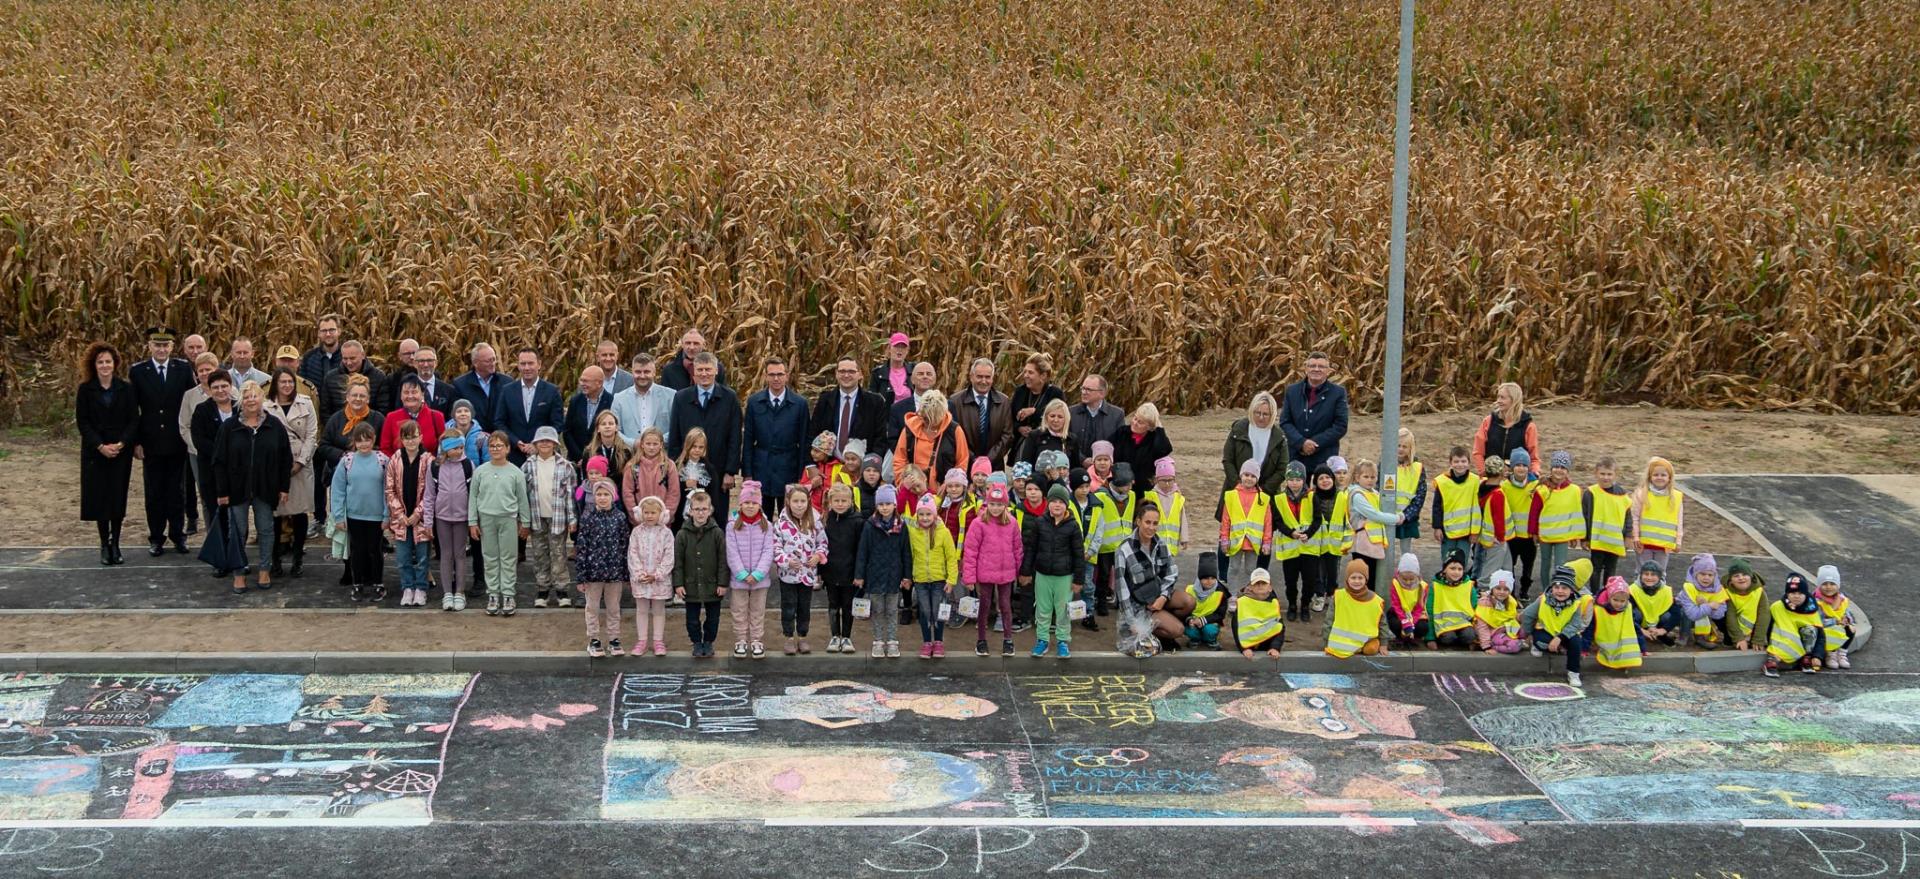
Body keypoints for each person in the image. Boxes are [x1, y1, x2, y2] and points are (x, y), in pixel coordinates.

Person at [210, 380, 293, 594]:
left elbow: (285, 458)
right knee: (237, 530)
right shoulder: (230, 427)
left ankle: (264, 569)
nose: (251, 400)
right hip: (236, 489)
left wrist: (284, 487)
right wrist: (222, 491)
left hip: (266, 488)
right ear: (241, 401)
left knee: (266, 529)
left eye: (255, 396)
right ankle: (238, 572)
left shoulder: (274, 425)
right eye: (247, 397)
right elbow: (219, 460)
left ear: (262, 399)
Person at [131, 327, 196, 556]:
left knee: (177, 492)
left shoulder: (183, 369)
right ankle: (156, 537)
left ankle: (178, 536)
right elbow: (133, 410)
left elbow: (191, 405)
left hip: (176, 441)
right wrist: (136, 442)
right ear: (149, 346)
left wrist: (189, 437)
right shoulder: (138, 371)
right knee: (154, 492)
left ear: (171, 347)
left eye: (165, 345)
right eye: (157, 345)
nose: (161, 349)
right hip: (151, 443)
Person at [77, 342, 137, 566]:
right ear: (94, 365)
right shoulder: (86, 390)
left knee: (117, 497)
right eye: (100, 362)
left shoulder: (126, 388)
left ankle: (116, 544)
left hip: (120, 451)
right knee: (99, 498)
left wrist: (121, 444)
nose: (104, 365)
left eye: (108, 361)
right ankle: (104, 544)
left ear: (115, 364)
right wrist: (101, 446)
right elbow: (83, 422)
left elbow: (133, 419)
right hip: (95, 453)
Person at [668, 352, 743, 521]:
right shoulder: (681, 398)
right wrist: (675, 467)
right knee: (688, 516)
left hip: (719, 468)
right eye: (700, 370)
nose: (704, 374)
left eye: (708, 369)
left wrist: (730, 471)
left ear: (716, 370)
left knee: (717, 515)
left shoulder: (729, 398)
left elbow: (735, 436)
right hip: (688, 471)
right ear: (693, 372)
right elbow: (675, 435)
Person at [469, 431, 531, 615]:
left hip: (508, 519)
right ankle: (493, 594)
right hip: (486, 518)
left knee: (508, 558)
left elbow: (522, 499)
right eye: (492, 446)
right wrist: (472, 521)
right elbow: (473, 497)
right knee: (490, 557)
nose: (496, 449)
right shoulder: (480, 471)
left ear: (508, 448)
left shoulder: (516, 473)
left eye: (499, 446)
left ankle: (508, 594)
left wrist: (525, 522)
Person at [328, 422, 389, 603]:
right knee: (357, 551)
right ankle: (358, 583)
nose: (364, 444)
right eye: (360, 441)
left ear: (373, 440)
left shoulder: (383, 460)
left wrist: (387, 515)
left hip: (376, 515)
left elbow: (389, 489)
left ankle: (377, 583)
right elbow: (337, 489)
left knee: (375, 550)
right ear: (354, 441)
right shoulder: (347, 461)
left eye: (367, 440)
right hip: (354, 515)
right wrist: (338, 515)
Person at [266, 368, 318, 577]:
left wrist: (300, 462)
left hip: (301, 464)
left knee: (299, 512)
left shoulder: (305, 403)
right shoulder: (266, 406)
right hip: (275, 467)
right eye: (283, 382)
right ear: (275, 384)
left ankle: (298, 558)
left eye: (290, 382)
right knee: (276, 513)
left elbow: (312, 434)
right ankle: (275, 559)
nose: (287, 385)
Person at [1024, 483, 1086, 660]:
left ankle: (1062, 641)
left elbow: (1078, 554)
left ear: (1066, 504)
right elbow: (1031, 549)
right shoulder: (1039, 523)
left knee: (1063, 610)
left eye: (1061, 501)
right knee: (1042, 610)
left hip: (1064, 576)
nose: (1057, 505)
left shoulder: (1073, 526)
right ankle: (1042, 640)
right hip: (1043, 574)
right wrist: (1026, 572)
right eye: (1053, 501)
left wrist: (1078, 580)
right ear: (1048, 503)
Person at [961, 482, 1023, 657]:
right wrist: (969, 578)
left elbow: (1017, 548)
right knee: (985, 605)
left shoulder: (1012, 523)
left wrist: (1019, 572)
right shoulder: (978, 523)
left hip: (1006, 573)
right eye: (992, 504)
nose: (996, 508)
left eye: (1000, 504)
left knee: (1005, 605)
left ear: (1005, 505)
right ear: (987, 504)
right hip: (985, 573)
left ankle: (1008, 639)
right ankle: (981, 639)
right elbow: (970, 551)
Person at [572, 479, 632, 658]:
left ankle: (614, 639)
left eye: (606, 494)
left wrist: (625, 573)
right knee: (592, 608)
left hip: (614, 573)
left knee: (614, 608)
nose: (603, 498)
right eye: (599, 494)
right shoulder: (588, 517)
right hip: (593, 574)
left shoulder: (620, 518)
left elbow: (624, 546)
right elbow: (582, 548)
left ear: (613, 496)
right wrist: (581, 576)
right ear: (594, 497)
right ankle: (594, 639)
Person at [1115, 505, 1185, 658]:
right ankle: (1163, 635)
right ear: (1138, 521)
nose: (1151, 527)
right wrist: (1132, 621)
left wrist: (1164, 597)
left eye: (1155, 523)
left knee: (1188, 602)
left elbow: (1172, 573)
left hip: (1158, 596)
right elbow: (1122, 590)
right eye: (1147, 522)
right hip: (1139, 606)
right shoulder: (1124, 550)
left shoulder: (1161, 543)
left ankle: (1164, 623)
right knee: (1178, 630)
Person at [742, 357, 811, 507]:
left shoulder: (799, 404)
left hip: (789, 468)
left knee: (788, 515)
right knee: (761, 517)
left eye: (780, 374)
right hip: (761, 467)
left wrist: (802, 474)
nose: (776, 378)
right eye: (772, 374)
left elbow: (804, 440)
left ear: (787, 376)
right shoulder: (754, 402)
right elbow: (748, 439)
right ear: (765, 376)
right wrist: (747, 473)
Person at [189, 370, 239, 575]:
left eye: (224, 386)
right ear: (210, 390)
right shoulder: (202, 411)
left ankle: (237, 556)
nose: (220, 390)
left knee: (237, 516)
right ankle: (220, 559)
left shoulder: (240, 408)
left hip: (237, 472)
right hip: (211, 473)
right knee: (217, 515)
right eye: (216, 387)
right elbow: (199, 440)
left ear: (230, 386)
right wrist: (223, 453)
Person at [523, 426, 578, 608]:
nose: (545, 444)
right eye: (541, 441)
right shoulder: (528, 465)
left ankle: (562, 590)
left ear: (555, 444)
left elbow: (570, 496)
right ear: (535, 444)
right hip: (537, 518)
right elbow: (523, 493)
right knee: (539, 555)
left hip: (558, 519)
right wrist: (523, 520)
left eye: (549, 441)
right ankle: (542, 590)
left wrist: (572, 519)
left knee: (558, 554)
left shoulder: (565, 466)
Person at [855, 484, 912, 658]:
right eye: (881, 504)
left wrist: (907, 576)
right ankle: (878, 641)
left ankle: (893, 641)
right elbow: (862, 551)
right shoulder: (869, 526)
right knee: (877, 610)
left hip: (894, 577)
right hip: (874, 576)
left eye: (888, 503)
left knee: (892, 610)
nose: (884, 507)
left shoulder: (901, 527)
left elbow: (906, 553)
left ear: (894, 504)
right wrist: (859, 576)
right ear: (876, 506)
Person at [771, 484, 828, 655]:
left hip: (808, 574)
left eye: (803, 501)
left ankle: (802, 636)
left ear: (808, 501)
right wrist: (786, 561)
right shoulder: (780, 524)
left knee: (804, 606)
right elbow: (775, 547)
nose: (799, 505)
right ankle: (789, 637)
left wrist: (818, 556)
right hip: (788, 575)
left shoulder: (814, 521)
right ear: (788, 502)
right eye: (795, 501)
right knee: (788, 606)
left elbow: (823, 543)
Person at [384, 420, 436, 607]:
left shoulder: (428, 460)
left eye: (414, 437)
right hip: (401, 519)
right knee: (403, 557)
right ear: (402, 439)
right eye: (407, 437)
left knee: (423, 557)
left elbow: (431, 491)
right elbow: (389, 490)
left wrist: (418, 513)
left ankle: (421, 588)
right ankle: (407, 587)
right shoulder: (395, 459)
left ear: (421, 437)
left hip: (421, 519)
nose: (411, 441)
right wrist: (400, 515)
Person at [1084, 462, 1139, 628]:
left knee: (1124, 576)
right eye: (1127, 484)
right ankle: (1101, 602)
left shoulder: (1132, 496)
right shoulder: (1100, 496)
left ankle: (1122, 603)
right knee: (1103, 576)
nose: (1130, 487)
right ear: (1118, 484)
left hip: (1123, 544)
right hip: (1105, 545)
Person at [674, 490, 728, 658]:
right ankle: (697, 642)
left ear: (710, 510)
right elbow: (678, 562)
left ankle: (709, 641)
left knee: (713, 618)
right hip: (690, 584)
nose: (700, 513)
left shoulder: (717, 533)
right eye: (697, 509)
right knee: (692, 619)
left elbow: (722, 560)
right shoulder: (682, 534)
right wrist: (678, 583)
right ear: (690, 510)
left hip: (712, 584)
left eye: (704, 509)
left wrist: (722, 583)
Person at [724, 480, 775, 659]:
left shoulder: (767, 526)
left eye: (754, 503)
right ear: (740, 504)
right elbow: (732, 552)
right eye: (747, 502)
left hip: (760, 579)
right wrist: (742, 574)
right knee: (739, 610)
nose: (750, 506)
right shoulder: (732, 526)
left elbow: (769, 550)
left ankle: (756, 641)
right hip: (740, 579)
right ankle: (740, 640)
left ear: (759, 505)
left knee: (757, 611)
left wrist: (759, 573)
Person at [1520, 563, 1594, 687]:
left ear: (1571, 590)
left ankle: (1573, 672)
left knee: (1576, 644)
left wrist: (1559, 638)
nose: (1560, 591)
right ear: (1552, 588)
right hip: (1545, 630)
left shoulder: (1576, 603)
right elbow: (1527, 615)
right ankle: (1537, 645)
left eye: (1565, 588)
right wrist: (1526, 633)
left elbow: (1575, 625)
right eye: (1557, 587)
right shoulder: (1543, 599)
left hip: (1564, 634)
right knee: (1542, 642)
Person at [907, 491, 960, 658]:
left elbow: (951, 557)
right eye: (921, 514)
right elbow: (909, 556)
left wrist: (951, 580)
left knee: (938, 611)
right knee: (924, 611)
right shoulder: (912, 532)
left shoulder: (943, 532)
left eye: (928, 514)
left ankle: (938, 642)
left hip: (939, 579)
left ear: (934, 514)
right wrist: (908, 577)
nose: (924, 518)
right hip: (921, 579)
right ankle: (926, 642)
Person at [1278, 351, 1349, 474]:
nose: (1316, 369)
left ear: (1328, 371)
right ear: (1306, 369)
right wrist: (1301, 443)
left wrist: (1314, 444)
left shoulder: (1338, 393)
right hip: (1296, 454)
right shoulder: (1292, 391)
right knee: (1296, 491)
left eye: (1321, 367)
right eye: (1312, 366)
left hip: (1324, 455)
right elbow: (1285, 422)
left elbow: (1340, 426)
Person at [1219, 391, 1287, 515]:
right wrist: (1239, 485)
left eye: (1266, 414)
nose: (1261, 417)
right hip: (1237, 492)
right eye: (1257, 413)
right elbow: (1228, 460)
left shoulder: (1279, 437)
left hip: (1266, 495)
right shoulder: (1238, 429)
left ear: (1272, 415)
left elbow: (1282, 469)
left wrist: (1263, 490)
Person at [426, 433, 473, 610]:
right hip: (442, 518)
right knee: (445, 555)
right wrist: (429, 521)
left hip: (462, 518)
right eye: (456, 448)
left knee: (460, 555)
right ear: (446, 448)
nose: (459, 451)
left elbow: (473, 495)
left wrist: (472, 519)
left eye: (461, 447)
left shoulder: (468, 465)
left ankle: (460, 592)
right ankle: (447, 593)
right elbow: (429, 495)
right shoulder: (435, 467)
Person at [494, 348, 565, 465]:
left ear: (539, 364)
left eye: (530, 363)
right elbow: (499, 422)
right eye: (523, 364)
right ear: (518, 366)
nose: (527, 368)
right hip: (513, 456)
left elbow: (557, 424)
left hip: (543, 456)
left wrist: (537, 443)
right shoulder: (507, 391)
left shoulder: (551, 391)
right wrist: (516, 442)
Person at [624, 494, 675, 657]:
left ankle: (658, 641)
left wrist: (658, 574)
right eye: (646, 512)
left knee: (659, 610)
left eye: (653, 513)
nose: (650, 516)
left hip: (659, 580)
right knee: (642, 610)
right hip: (641, 580)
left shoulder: (666, 533)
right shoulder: (636, 532)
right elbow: (632, 553)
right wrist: (639, 574)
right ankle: (642, 640)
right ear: (641, 514)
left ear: (661, 514)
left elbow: (669, 556)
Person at [177, 352, 222, 534]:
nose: (204, 373)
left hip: (226, 453)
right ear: (196, 373)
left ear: (216, 370)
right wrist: (197, 446)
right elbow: (184, 425)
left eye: (208, 370)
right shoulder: (189, 396)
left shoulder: (230, 391)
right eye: (201, 370)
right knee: (206, 493)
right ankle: (212, 532)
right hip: (198, 454)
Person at [809, 357, 889, 456]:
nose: (846, 375)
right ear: (836, 373)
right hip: (828, 466)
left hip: (861, 466)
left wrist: (870, 466)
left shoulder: (874, 403)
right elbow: (812, 433)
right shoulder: (825, 400)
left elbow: (880, 439)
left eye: (851, 371)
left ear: (860, 374)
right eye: (842, 371)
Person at [821, 483, 866, 654]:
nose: (840, 504)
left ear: (851, 501)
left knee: (847, 606)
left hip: (850, 573)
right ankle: (835, 636)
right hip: (831, 571)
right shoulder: (826, 519)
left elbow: (861, 550)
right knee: (833, 605)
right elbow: (821, 546)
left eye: (844, 501)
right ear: (830, 502)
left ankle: (846, 637)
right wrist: (820, 572)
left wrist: (860, 573)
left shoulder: (858, 521)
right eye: (837, 500)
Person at [892, 389, 971, 485]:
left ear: (941, 415)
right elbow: (899, 460)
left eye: (932, 419)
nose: (928, 423)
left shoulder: (955, 430)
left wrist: (951, 484)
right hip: (914, 490)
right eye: (925, 417)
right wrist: (902, 483)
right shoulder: (910, 429)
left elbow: (962, 462)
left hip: (944, 492)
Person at [1756, 573, 1828, 677]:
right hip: (1780, 641)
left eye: (1800, 593)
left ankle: (1806, 658)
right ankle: (1772, 661)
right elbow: (1768, 625)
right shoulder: (1777, 607)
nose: (1797, 596)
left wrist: (1817, 656)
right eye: (1793, 593)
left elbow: (1821, 636)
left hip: (1803, 644)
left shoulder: (1811, 611)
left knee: (1811, 630)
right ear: (1787, 594)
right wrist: (1762, 641)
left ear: (1806, 594)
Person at [1530, 450, 1586, 583]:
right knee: (1545, 564)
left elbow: (1576, 514)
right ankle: (1545, 591)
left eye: (1563, 468)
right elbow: (1534, 513)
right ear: (1551, 469)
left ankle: (1558, 590)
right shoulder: (1542, 490)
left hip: (1563, 536)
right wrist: (1533, 532)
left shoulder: (1574, 490)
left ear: (1568, 471)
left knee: (1560, 566)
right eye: (1556, 467)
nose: (1559, 470)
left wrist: (1575, 536)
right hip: (1545, 535)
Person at [1218, 459, 1273, 589]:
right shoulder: (1231, 496)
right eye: (1246, 475)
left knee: (1251, 570)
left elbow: (1267, 523)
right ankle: (1232, 595)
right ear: (1241, 475)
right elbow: (1226, 520)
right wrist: (1224, 539)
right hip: (1235, 540)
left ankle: (1249, 593)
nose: (1249, 478)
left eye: (1253, 476)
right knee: (1234, 568)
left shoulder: (1263, 498)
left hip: (1253, 541)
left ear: (1257, 478)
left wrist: (1266, 542)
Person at [1344, 459, 1400, 585]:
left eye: (1373, 477)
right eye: (1366, 477)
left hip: (1373, 543)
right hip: (1362, 543)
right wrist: (1396, 518)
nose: (1370, 480)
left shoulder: (1374, 493)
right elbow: (1374, 515)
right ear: (1357, 478)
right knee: (1362, 577)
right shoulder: (1357, 495)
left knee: (1372, 577)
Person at [952, 358, 1016, 468]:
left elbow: (1007, 435)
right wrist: (972, 459)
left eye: (987, 377)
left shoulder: (1003, 401)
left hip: (994, 467)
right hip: (964, 466)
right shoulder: (955, 402)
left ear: (992, 378)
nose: (983, 381)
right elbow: (953, 435)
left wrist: (988, 460)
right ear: (971, 377)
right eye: (979, 376)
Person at [1273, 461, 1317, 619]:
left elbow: (1318, 519)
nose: (1294, 483)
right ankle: (1292, 605)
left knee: (1309, 581)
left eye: (1298, 480)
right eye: (1291, 479)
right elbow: (1278, 521)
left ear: (1304, 480)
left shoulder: (1312, 497)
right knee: (1290, 581)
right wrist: (1291, 533)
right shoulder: (1279, 499)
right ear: (1286, 480)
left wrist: (1309, 533)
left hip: (1309, 547)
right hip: (1290, 548)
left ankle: (1305, 605)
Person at [1429, 446, 1482, 573]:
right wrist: (1437, 527)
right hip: (1448, 532)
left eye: (1463, 461)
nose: (1460, 465)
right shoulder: (1442, 482)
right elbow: (1437, 506)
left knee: (1461, 563)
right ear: (1450, 463)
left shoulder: (1475, 481)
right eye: (1456, 461)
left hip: (1466, 533)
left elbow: (1477, 508)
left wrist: (1475, 532)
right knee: (1447, 561)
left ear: (1469, 463)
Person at [1585, 456, 1634, 592]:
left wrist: (1628, 536)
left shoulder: (1622, 494)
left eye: (1609, 474)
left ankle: (1607, 594)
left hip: (1614, 541)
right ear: (1596, 473)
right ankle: (1594, 594)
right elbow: (1585, 516)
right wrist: (1585, 538)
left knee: (1611, 570)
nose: (1606, 477)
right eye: (1602, 474)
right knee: (1595, 568)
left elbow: (1628, 517)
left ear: (1615, 475)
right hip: (1597, 541)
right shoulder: (1591, 493)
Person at [1630, 456, 1685, 578]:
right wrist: (1635, 537)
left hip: (1664, 545)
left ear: (1669, 477)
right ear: (1650, 477)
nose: (1659, 478)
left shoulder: (1676, 497)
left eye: (1663, 475)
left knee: (1660, 574)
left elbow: (1679, 521)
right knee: (1641, 573)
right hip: (1644, 545)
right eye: (1656, 475)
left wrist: (1678, 541)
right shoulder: (1641, 494)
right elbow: (1635, 517)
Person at [1471, 382, 1541, 475]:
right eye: (1498, 397)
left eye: (1503, 398)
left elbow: (1534, 458)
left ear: (1514, 400)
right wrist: (1484, 472)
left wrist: (1534, 474)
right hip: (1491, 476)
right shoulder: (1489, 421)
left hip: (1517, 477)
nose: (1498, 401)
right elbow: (1478, 452)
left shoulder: (1528, 426)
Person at [1325, 558, 1389, 659]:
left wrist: (1384, 644)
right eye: (1353, 578)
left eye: (1360, 578)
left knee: (1371, 649)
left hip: (1367, 640)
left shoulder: (1376, 600)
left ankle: (1366, 645)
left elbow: (1382, 623)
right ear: (1347, 579)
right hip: (1343, 643)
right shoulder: (1339, 596)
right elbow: (1329, 620)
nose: (1357, 581)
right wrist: (1327, 642)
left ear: (1366, 580)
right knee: (1338, 651)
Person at [1107, 403, 1173, 499]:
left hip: (1142, 487)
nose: (1135, 423)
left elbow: (1164, 450)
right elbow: (1106, 447)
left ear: (1149, 426)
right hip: (1120, 484)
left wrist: (1159, 427)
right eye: (1135, 418)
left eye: (1140, 422)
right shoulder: (1122, 432)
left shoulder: (1154, 438)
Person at [1499, 449, 1540, 599]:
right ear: (1511, 468)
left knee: (1528, 567)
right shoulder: (1504, 486)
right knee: (1509, 567)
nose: (1521, 468)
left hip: (1529, 536)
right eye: (1518, 465)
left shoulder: (1536, 486)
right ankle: (1511, 593)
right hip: (1511, 536)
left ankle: (1524, 591)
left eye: (1524, 465)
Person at [612, 352, 677, 445]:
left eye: (646, 372)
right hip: (630, 455)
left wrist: (654, 443)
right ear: (632, 372)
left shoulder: (671, 396)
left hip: (662, 455)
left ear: (654, 373)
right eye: (638, 372)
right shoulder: (619, 398)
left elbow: (676, 428)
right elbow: (615, 430)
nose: (642, 376)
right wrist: (634, 443)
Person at [623, 426, 682, 528]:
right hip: (640, 523)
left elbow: (674, 493)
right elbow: (627, 493)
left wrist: (666, 515)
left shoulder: (668, 466)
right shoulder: (632, 466)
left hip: (663, 524)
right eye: (648, 444)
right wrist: (636, 515)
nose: (651, 447)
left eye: (655, 444)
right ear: (642, 444)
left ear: (661, 445)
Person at [319, 340, 390, 424]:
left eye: (352, 358)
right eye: (345, 359)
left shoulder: (378, 377)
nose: (349, 363)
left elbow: (383, 408)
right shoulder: (331, 378)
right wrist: (336, 428)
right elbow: (325, 410)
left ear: (363, 355)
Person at [1306, 463, 1343, 617]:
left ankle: (1332, 594)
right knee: (1318, 570)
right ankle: (1320, 595)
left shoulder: (1341, 496)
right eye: (1321, 478)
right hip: (1318, 540)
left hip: (1335, 541)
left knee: (1333, 570)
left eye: (1328, 477)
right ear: (1316, 482)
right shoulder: (1311, 497)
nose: (1325, 480)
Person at [1008, 353, 1065, 451]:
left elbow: (1060, 419)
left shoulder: (1055, 393)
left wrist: (1034, 411)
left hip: (1047, 445)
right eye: (1025, 372)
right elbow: (1010, 418)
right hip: (1021, 446)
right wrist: (1019, 428)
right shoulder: (1020, 392)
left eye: (1030, 372)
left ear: (1043, 375)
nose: (1025, 375)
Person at [1588, 577, 1647, 672]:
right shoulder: (1598, 609)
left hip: (1621, 643)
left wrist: (1642, 648)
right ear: (1609, 597)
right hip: (1603, 644)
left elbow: (1635, 628)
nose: (1619, 604)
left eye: (1622, 601)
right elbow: (1590, 630)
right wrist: (1584, 648)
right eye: (1615, 600)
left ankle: (1624, 666)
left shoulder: (1628, 609)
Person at [884, 361, 939, 461]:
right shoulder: (897, 409)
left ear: (934, 379)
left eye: (929, 374)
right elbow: (893, 440)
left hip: (938, 463)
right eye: (920, 374)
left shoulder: (947, 406)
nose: (925, 377)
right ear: (912, 380)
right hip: (908, 465)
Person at [1068, 374, 1125, 467]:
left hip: (1106, 470)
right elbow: (1066, 441)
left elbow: (1120, 445)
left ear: (1102, 393)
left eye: (1089, 390)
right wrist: (1082, 459)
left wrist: (1103, 461)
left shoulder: (1117, 415)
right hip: (1076, 469)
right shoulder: (1071, 413)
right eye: (1083, 388)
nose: (1084, 392)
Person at [1676, 552, 1731, 650]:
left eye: (1710, 575)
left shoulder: (1718, 589)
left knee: (1703, 611)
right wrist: (1709, 606)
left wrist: (1706, 604)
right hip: (1683, 618)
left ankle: (1700, 637)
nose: (1706, 578)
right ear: (1695, 574)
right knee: (1686, 611)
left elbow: (1719, 615)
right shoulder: (1689, 587)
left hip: (1703, 615)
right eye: (1702, 574)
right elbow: (1691, 613)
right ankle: (1684, 634)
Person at [379, 377, 446, 455]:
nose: (410, 396)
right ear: (400, 396)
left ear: (422, 394)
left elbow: (443, 447)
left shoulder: (437, 417)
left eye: (414, 392)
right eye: (406, 392)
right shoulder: (391, 417)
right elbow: (385, 449)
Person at [1427, 548, 1478, 649]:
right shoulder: (1435, 586)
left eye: (1460, 569)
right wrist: (1430, 637)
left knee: (1469, 636)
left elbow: (1476, 608)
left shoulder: (1468, 585)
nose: (1456, 572)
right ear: (1444, 569)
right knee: (1448, 639)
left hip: (1464, 623)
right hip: (1443, 625)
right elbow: (1429, 611)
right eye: (1452, 568)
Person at [453, 342, 510, 432]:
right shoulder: (460, 385)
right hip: (473, 438)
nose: (492, 363)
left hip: (501, 439)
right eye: (488, 361)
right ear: (475, 363)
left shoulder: (507, 383)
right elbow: (457, 416)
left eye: (494, 359)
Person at [563, 366, 615, 465]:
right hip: (576, 461)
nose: (582, 384)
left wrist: (594, 459)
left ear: (599, 383)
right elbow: (567, 431)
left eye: (586, 381)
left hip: (601, 462)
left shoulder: (611, 402)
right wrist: (579, 457)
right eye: (581, 380)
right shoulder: (575, 401)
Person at [1628, 559, 1684, 648]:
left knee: (1667, 616)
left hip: (1658, 623)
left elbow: (1677, 613)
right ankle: (1638, 634)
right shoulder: (1633, 590)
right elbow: (1627, 615)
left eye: (1653, 575)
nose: (1649, 578)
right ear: (1641, 575)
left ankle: (1659, 634)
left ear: (1659, 577)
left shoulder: (1666, 591)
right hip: (1640, 623)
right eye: (1646, 574)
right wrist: (1642, 630)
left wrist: (1663, 630)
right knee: (1634, 613)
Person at [1016, 398, 1083, 473]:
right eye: (1052, 416)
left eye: (1060, 417)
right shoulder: (1035, 436)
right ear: (1046, 417)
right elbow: (1026, 464)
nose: (1055, 420)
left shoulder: (1071, 439)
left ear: (1066, 419)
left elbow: (1075, 468)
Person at [1473, 456, 1512, 583]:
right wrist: (1500, 538)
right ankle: (1482, 591)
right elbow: (1498, 519)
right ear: (1501, 473)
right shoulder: (1497, 494)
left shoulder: (1482, 487)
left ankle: (1508, 591)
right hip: (1496, 539)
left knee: (1507, 569)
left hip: (1486, 536)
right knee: (1490, 572)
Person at [1231, 567, 1284, 658]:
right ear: (1251, 587)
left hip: (1267, 645)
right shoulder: (1242, 602)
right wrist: (1243, 648)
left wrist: (1275, 647)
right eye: (1256, 583)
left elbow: (1279, 627)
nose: (1260, 585)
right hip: (1248, 646)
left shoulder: (1274, 602)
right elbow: (1236, 627)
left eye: (1263, 583)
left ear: (1270, 587)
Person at [1813, 565, 1857, 669]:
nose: (1828, 587)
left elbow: (1847, 612)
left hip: (1838, 625)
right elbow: (1818, 620)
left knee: (1851, 629)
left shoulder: (1841, 599)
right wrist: (1835, 622)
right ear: (1819, 585)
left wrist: (1847, 620)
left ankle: (1842, 653)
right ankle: (1831, 654)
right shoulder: (1816, 600)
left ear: (1838, 585)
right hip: (1825, 628)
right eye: (1824, 584)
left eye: (1832, 584)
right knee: (1830, 632)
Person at [1720, 557, 1769, 651]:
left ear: (1751, 576)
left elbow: (1764, 614)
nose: (1741, 578)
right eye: (1736, 576)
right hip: (1735, 628)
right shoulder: (1726, 591)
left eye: (1745, 574)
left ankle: (1760, 640)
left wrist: (1758, 639)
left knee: (1771, 613)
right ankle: (1730, 639)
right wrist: (1739, 638)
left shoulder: (1759, 591)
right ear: (1731, 580)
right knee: (1720, 612)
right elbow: (1730, 616)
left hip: (1754, 628)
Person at [1183, 552, 1228, 650]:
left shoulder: (1221, 592)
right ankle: (1195, 639)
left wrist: (1203, 620)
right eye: (1205, 578)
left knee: (1209, 630)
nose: (1209, 581)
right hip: (1193, 620)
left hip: (1210, 621)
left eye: (1213, 578)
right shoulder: (1189, 589)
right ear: (1199, 578)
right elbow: (1183, 610)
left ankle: (1211, 640)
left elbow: (1220, 614)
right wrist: (1189, 619)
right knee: (1189, 630)